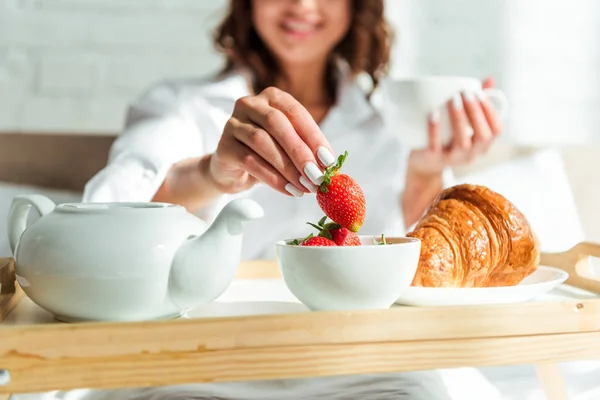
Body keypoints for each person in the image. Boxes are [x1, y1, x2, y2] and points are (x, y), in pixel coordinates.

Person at [70, 0, 505, 399]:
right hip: (202, 362)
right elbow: (103, 216)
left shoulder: (393, 122)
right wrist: (211, 173)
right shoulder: (180, 106)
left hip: (366, 363)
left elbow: (420, 257)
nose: (302, 5)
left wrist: (426, 171)